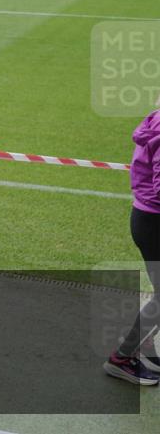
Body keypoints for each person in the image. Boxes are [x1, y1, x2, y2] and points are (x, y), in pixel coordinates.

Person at [103, 104, 160, 386]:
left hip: (148, 219)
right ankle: (122, 358)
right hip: (155, 223)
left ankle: (139, 351)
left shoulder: (156, 119)